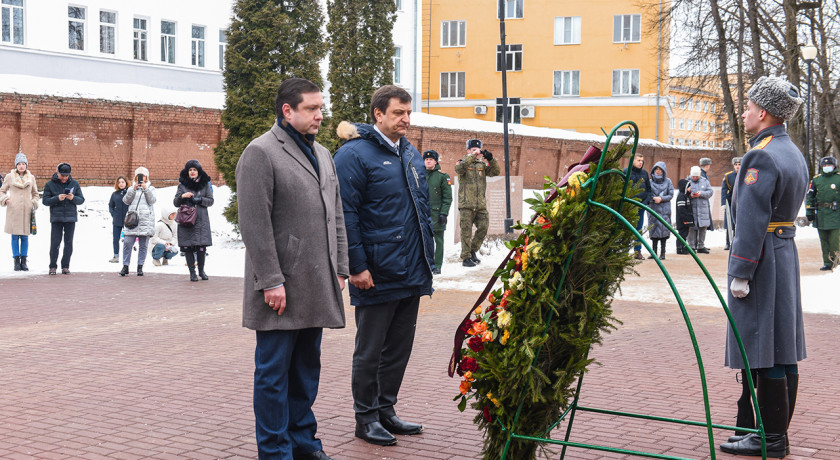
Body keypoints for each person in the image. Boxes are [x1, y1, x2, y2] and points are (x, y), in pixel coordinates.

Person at [236, 77, 348, 460]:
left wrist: (341, 267)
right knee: (273, 376)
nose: (320, 115)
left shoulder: (323, 154)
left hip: (316, 282)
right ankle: (275, 450)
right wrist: (270, 280)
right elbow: (254, 224)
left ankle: (303, 443)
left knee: (304, 372)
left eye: (321, 108)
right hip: (280, 288)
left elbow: (336, 215)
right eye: (312, 109)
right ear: (288, 110)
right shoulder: (261, 152)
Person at [333, 85, 435, 447]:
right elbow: (345, 214)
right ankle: (365, 417)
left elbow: (419, 211)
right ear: (378, 114)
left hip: (411, 269)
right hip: (375, 271)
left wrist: (427, 259)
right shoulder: (353, 155)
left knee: (398, 347)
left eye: (408, 113)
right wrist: (356, 265)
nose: (406, 120)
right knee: (371, 348)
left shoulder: (408, 152)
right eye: (398, 113)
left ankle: (386, 409)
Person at [720, 76, 809, 458]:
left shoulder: (762, 155)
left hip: (763, 258)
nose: (744, 112)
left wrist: (740, 270)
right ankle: (771, 433)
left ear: (764, 112)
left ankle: (770, 438)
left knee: (764, 347)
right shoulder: (792, 151)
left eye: (749, 106)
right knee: (782, 346)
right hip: (783, 253)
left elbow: (752, 220)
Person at [454, 138, 500, 267]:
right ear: (468, 150)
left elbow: (495, 172)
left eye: (477, 150)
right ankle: (465, 257)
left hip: (480, 204)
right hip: (466, 204)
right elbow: (459, 169)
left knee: (483, 227)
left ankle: (473, 251)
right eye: (473, 149)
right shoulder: (462, 162)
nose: (476, 152)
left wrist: (491, 159)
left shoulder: (481, 165)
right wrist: (472, 156)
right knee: (466, 232)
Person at [174, 159, 214, 281]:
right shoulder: (182, 185)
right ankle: (192, 272)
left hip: (201, 219)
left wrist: (200, 199)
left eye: (194, 170)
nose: (192, 172)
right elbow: (175, 202)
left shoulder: (205, 184)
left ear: (198, 171)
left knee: (201, 247)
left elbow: (211, 201)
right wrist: (182, 196)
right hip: (187, 220)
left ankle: (201, 271)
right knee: (188, 247)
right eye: (190, 170)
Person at [42, 162, 85, 275]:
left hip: (70, 218)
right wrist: (57, 198)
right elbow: (45, 201)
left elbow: (81, 200)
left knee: (68, 243)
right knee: (55, 243)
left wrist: (73, 198)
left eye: (66, 175)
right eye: (62, 175)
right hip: (56, 218)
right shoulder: (49, 184)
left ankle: (65, 266)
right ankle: (52, 266)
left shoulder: (74, 184)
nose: (64, 178)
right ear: (57, 173)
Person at [0, 152, 39, 271]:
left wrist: (33, 202)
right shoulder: (9, 177)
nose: (21, 166)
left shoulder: (31, 178)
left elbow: (35, 194)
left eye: (23, 164)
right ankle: (16, 261)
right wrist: (6, 199)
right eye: (19, 164)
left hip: (27, 210)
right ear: (16, 165)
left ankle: (24, 260)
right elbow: (2, 191)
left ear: (26, 165)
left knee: (25, 237)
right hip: (14, 210)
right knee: (15, 236)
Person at [120, 167, 156, 277]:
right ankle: (125, 266)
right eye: (139, 176)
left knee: (143, 245)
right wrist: (133, 190)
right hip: (132, 220)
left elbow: (152, 200)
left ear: (147, 177)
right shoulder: (131, 188)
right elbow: (125, 201)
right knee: (127, 243)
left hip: (146, 220)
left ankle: (140, 267)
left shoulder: (151, 188)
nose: (141, 178)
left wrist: (146, 189)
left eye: (143, 175)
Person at [806, 156, 840, 271]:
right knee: (824, 241)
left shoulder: (838, 179)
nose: (826, 167)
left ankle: (836, 262)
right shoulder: (816, 180)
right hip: (821, 215)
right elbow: (810, 196)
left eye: (829, 165)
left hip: (836, 215)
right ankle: (827, 263)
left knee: (835, 241)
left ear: (834, 166)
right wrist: (809, 211)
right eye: (824, 165)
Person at [423, 149, 452, 275]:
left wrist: (444, 213)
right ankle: (425, 263)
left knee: (438, 241)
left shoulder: (443, 176)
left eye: (431, 159)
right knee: (423, 240)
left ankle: (437, 265)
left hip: (437, 214)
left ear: (435, 161)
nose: (428, 161)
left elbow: (447, 198)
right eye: (426, 159)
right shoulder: (419, 174)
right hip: (423, 213)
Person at [624, 153, 652, 259]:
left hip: (641, 206)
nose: (641, 162)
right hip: (629, 206)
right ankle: (624, 251)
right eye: (638, 160)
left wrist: (644, 203)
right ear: (633, 160)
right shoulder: (626, 172)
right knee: (627, 228)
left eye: (642, 161)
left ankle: (637, 251)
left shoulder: (644, 173)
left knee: (638, 229)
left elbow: (649, 190)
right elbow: (623, 189)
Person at [647, 161, 673, 260]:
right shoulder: (650, 182)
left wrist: (661, 199)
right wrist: (654, 198)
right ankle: (653, 252)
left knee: (663, 230)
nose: (658, 172)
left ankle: (663, 253)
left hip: (664, 209)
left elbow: (670, 195)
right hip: (653, 208)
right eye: (656, 169)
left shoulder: (668, 181)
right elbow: (648, 193)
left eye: (660, 170)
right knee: (653, 230)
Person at [685, 165, 713, 254]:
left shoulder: (705, 181)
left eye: (696, 176)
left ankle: (701, 246)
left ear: (699, 175)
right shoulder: (687, 181)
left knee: (703, 227)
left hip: (703, 208)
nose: (695, 178)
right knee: (691, 227)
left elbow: (710, 192)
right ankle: (691, 246)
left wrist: (701, 193)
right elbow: (682, 193)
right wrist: (690, 195)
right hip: (692, 208)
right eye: (693, 176)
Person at [721, 157, 742, 251]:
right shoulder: (728, 176)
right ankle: (728, 243)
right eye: (736, 165)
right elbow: (724, 190)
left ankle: (738, 243)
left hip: (742, 202)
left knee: (740, 224)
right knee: (730, 223)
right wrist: (723, 203)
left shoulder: (746, 175)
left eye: (739, 165)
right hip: (731, 202)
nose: (737, 166)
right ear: (733, 166)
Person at [108, 176, 129, 263]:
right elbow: (110, 205)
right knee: (115, 239)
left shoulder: (130, 193)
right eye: (119, 182)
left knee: (127, 240)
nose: (121, 184)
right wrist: (113, 214)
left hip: (128, 221)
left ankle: (126, 257)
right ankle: (116, 256)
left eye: (123, 182)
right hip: (117, 220)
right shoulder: (114, 194)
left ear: (126, 183)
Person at [674, 179, 693, 255]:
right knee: (682, 234)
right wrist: (686, 218)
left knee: (685, 234)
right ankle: (680, 248)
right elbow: (681, 209)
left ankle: (683, 247)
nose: (690, 188)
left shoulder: (686, 196)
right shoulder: (681, 196)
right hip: (682, 220)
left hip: (686, 219)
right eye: (689, 187)